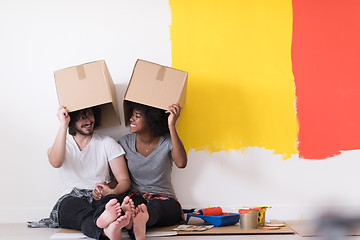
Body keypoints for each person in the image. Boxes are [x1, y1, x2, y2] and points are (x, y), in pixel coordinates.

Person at [29, 106, 134, 240]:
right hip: (72, 198)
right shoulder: (62, 143)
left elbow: (124, 181)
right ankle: (106, 226)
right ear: (72, 120)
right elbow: (55, 162)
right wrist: (63, 124)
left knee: (112, 202)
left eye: (91, 114)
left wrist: (111, 191)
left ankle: (108, 227)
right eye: (83, 117)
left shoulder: (107, 143)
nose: (89, 121)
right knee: (73, 208)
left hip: (100, 197)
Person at [117, 102, 187, 238]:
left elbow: (181, 163)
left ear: (151, 120)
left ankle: (136, 221)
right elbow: (119, 178)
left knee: (155, 207)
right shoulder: (124, 143)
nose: (131, 119)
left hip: (164, 200)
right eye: (132, 115)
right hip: (136, 197)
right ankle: (136, 223)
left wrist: (171, 126)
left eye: (137, 116)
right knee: (134, 207)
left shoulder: (166, 141)